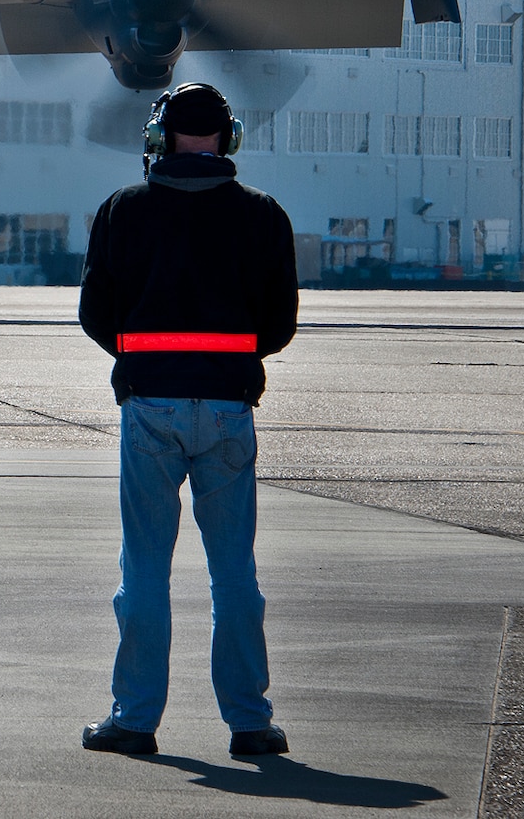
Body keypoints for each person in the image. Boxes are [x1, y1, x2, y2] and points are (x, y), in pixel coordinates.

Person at [76, 81, 299, 758]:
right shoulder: (264, 216)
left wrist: (143, 353)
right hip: (230, 407)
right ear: (228, 138)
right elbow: (280, 325)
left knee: (143, 569)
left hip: (149, 406)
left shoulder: (122, 210)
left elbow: (94, 314)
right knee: (234, 571)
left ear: (158, 137)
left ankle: (135, 719)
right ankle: (250, 723)